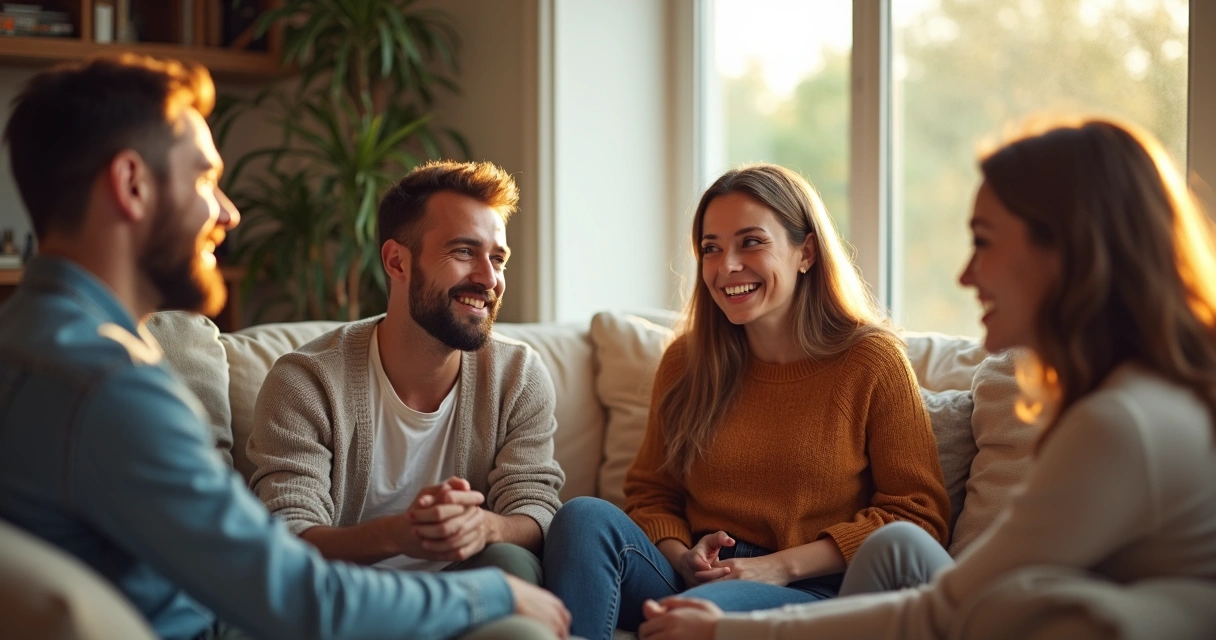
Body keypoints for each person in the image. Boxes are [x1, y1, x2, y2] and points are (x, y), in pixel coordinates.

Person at [0, 54, 569, 640]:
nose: (228, 211)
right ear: (132, 185)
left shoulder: (30, 346)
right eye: (203, 178)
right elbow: (298, 597)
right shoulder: (111, 390)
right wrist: (491, 594)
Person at [636, 117, 1216, 640]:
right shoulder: (1140, 399)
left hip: (814, 589)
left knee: (899, 541)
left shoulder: (1120, 423)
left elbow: (949, 607)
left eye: (983, 243)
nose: (965, 274)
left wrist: (730, 629)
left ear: (1067, 253)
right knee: (895, 549)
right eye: (711, 248)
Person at [542, 163, 951, 639]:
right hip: (694, 574)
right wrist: (684, 557)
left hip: (813, 590)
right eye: (711, 249)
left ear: (806, 252)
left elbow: (916, 515)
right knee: (582, 516)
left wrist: (778, 567)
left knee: (700, 611)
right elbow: (653, 495)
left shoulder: (871, 361)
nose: (726, 266)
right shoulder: (686, 362)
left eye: (751, 242)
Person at [245, 160, 564, 585]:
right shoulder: (306, 382)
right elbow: (286, 536)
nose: (489, 278)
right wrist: (399, 534)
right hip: (345, 600)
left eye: (498, 259)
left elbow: (537, 507)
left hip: (466, 594)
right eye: (464, 251)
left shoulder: (518, 376)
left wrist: (488, 527)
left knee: (514, 563)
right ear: (397, 262)